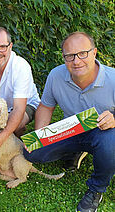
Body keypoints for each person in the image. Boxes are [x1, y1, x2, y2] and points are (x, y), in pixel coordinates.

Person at [23, 32, 115, 212]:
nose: (76, 61)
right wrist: (39, 136)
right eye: (70, 56)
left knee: (109, 143)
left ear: (94, 53)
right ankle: (75, 151)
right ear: (64, 58)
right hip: (71, 129)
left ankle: (96, 189)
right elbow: (46, 107)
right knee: (32, 153)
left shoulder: (113, 78)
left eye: (83, 53)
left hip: (103, 132)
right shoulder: (56, 75)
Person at [0, 27, 40, 152]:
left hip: (26, 105)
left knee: (15, 125)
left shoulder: (21, 67)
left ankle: (18, 135)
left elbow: (19, 108)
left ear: (10, 46)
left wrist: (1, 136)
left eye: (2, 47)